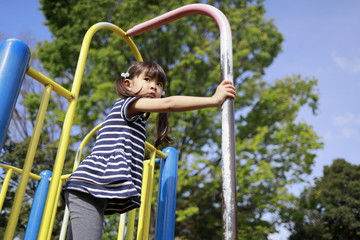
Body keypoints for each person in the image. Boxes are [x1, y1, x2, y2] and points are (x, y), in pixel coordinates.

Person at [62, 61, 236, 239]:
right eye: (147, 79)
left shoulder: (137, 120)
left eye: (159, 84)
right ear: (127, 84)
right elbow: (169, 103)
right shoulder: (127, 104)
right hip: (89, 186)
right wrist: (213, 100)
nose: (154, 86)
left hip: (93, 190)